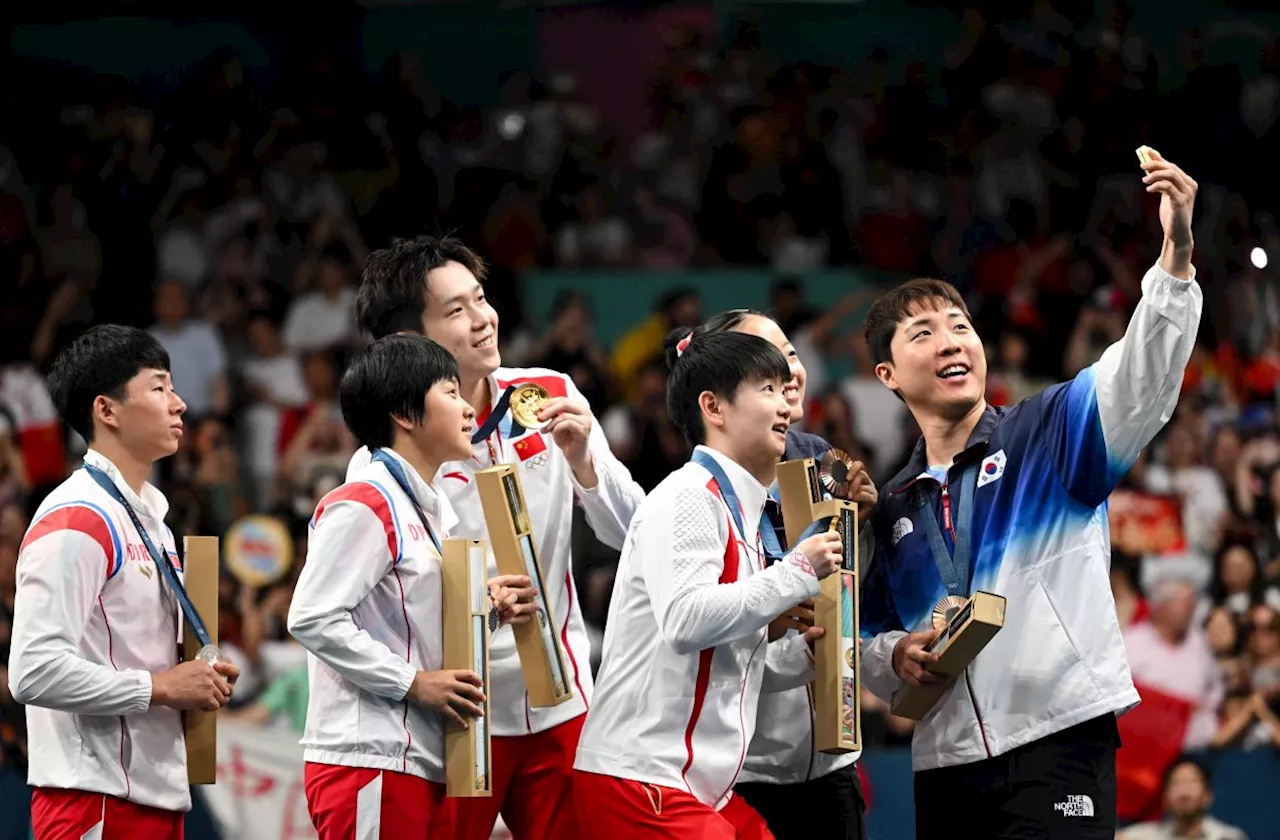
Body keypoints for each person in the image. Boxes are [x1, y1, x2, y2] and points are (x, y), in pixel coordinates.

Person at [858, 149, 1201, 839]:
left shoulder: (1049, 432)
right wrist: (893, 657)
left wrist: (1175, 265)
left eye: (961, 325)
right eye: (924, 333)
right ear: (888, 374)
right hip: (945, 762)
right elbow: (866, 638)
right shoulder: (892, 506)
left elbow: (1140, 379)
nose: (952, 340)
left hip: (1060, 738)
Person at [353, 235, 646, 839]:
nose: (483, 319)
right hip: (461, 712)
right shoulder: (391, 456)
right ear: (411, 340)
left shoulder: (549, 394)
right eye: (456, 311)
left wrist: (588, 461)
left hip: (562, 698)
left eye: (481, 299)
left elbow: (631, 534)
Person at [573, 329, 845, 839]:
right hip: (640, 780)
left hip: (693, 788)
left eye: (786, 387)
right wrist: (797, 571)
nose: (786, 401)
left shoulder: (741, 512)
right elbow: (685, 621)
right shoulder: (689, 495)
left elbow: (727, 661)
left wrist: (802, 659)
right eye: (766, 387)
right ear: (713, 407)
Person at [287, 334, 537, 838]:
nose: (469, 410)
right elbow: (311, 617)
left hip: (415, 757)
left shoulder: (425, 508)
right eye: (450, 393)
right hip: (368, 760)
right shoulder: (366, 501)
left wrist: (488, 611)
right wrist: (414, 683)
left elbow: (409, 629)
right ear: (405, 413)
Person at [9, 325, 239, 840]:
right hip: (94, 801)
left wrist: (195, 676)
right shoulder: (76, 518)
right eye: (159, 388)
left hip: (154, 795)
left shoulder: (148, 518)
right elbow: (32, 671)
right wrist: (160, 687)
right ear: (106, 411)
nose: (179, 404)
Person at [695, 308, 876, 840]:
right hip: (742, 770)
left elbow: (839, 594)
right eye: (766, 364)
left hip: (831, 758)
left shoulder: (819, 460)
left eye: (791, 356)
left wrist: (857, 526)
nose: (790, 373)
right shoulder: (704, 490)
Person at [1119, 756, 1249, 840]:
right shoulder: (1144, 836)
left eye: (1192, 782)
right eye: (1176, 783)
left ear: (1207, 796)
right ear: (1165, 799)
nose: (1184, 792)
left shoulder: (1227, 837)